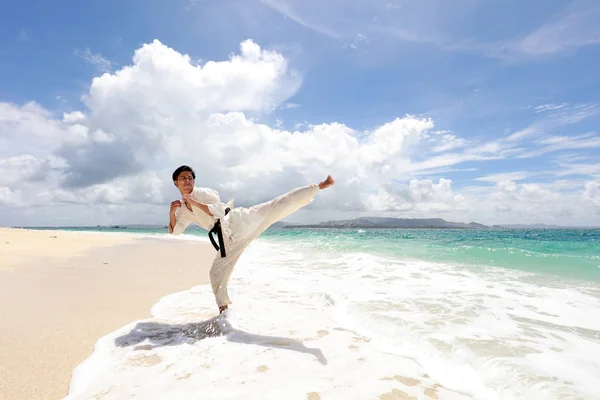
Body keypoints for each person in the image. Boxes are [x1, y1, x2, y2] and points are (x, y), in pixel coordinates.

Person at [168, 165, 335, 314]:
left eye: (190, 177)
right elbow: (175, 231)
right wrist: (171, 214)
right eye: (183, 178)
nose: (187, 181)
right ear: (176, 183)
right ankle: (224, 314)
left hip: (238, 222)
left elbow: (219, 211)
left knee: (275, 206)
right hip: (227, 240)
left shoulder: (204, 194)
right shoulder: (181, 208)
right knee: (216, 273)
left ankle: (318, 186)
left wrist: (194, 202)